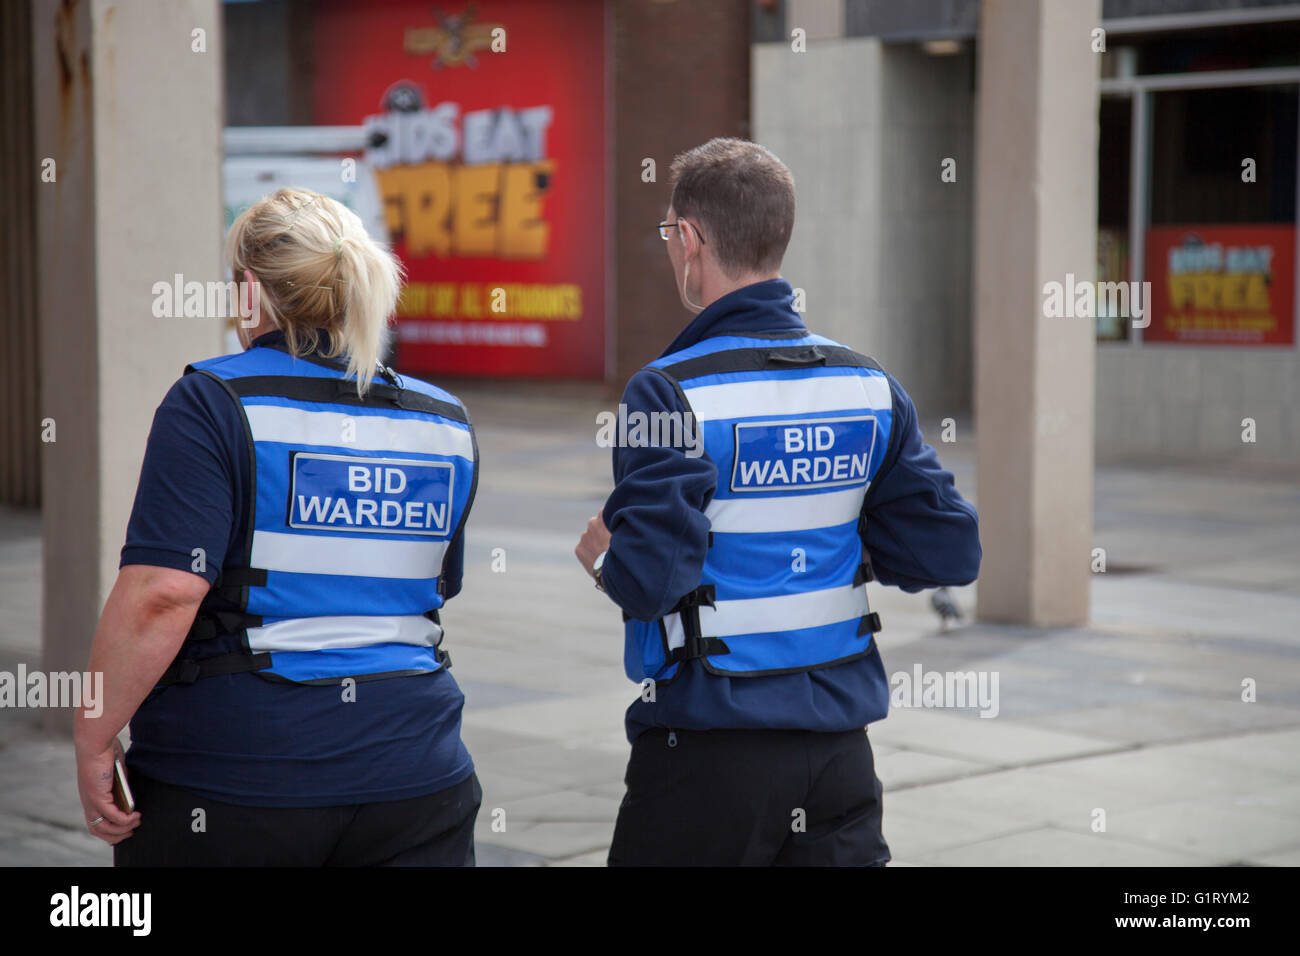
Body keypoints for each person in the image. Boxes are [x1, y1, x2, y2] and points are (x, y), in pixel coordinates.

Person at [574, 138, 981, 866]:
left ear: (692, 240)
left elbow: (649, 582)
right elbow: (950, 551)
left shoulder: (667, 392)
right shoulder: (868, 387)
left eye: (671, 232)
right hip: (839, 760)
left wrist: (605, 559)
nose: (671, 247)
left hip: (705, 764)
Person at [74, 187, 482, 866]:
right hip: (420, 778)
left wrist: (92, 733)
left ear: (249, 292)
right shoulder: (443, 417)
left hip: (237, 781)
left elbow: (163, 594)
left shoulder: (210, 400)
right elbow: (430, 587)